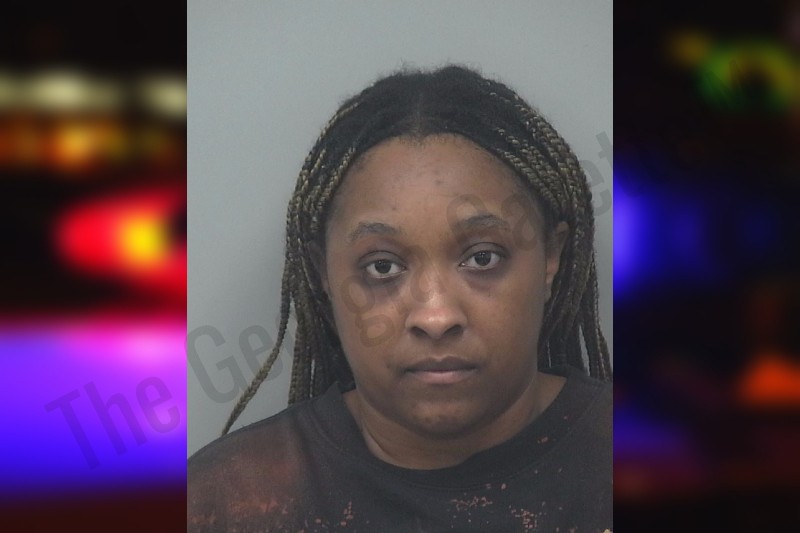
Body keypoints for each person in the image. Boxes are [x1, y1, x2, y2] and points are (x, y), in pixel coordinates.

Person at [188, 64, 612, 533]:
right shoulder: (226, 502)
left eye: (483, 258)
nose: (436, 316)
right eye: (382, 267)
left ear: (550, 257)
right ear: (323, 273)